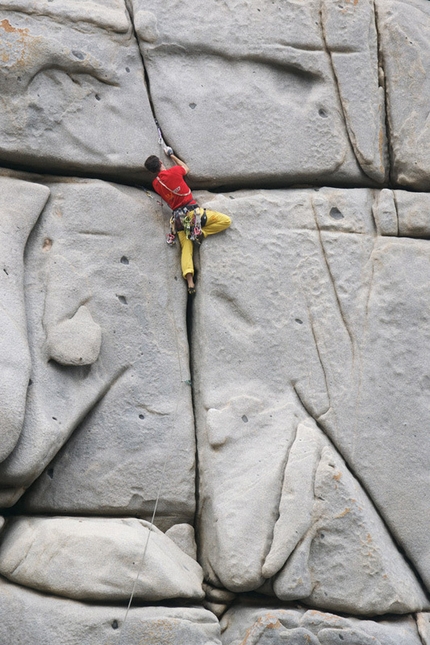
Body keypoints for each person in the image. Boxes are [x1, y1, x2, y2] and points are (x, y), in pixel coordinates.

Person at [144, 150, 231, 294]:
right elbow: (186, 168)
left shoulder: (155, 184)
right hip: (192, 214)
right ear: (160, 162)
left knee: (186, 248)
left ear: (151, 171)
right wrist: (171, 155)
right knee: (226, 221)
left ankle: (190, 282)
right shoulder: (174, 172)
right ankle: (200, 232)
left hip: (178, 219)